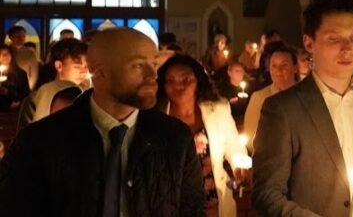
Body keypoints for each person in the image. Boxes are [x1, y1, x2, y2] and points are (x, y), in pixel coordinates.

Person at [0, 28, 206, 216]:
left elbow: (193, 211)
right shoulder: (41, 141)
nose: (153, 75)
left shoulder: (174, 138)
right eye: (138, 65)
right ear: (98, 71)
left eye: (153, 64)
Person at [253, 0, 353, 217]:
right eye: (334, 39)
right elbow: (266, 193)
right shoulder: (283, 109)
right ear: (309, 43)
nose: (347, 49)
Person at [157, 55, 249, 217]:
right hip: (171, 201)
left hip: (212, 197)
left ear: (198, 80)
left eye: (186, 79)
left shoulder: (218, 109)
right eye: (170, 80)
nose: (178, 85)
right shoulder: (156, 116)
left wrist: (239, 168)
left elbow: (234, 146)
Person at [17, 39, 88, 126]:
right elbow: (25, 132)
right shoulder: (36, 98)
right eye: (78, 66)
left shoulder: (88, 95)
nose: (84, 71)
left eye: (86, 66)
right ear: (59, 66)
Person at [243, 46, 300, 151]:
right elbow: (251, 136)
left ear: (295, 68)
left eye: (284, 65)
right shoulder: (260, 97)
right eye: (274, 66)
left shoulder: (305, 95)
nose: (278, 70)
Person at [0, 46, 31, 111]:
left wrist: (9, 92)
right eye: (1, 53)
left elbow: (25, 94)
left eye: (7, 53)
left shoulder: (21, 74)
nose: (5, 56)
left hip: (15, 109)